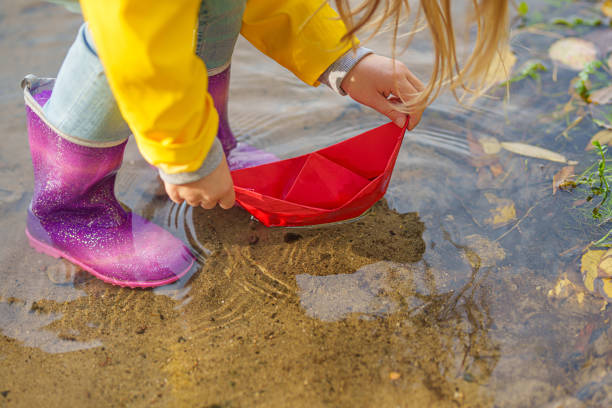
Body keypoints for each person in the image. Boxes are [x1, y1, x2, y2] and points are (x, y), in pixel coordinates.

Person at [23, 0, 507, 288]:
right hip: (134, 18)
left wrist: (342, 58)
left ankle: (205, 135)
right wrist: (186, 156)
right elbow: (137, 41)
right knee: (127, 49)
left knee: (215, 6)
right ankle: (68, 205)